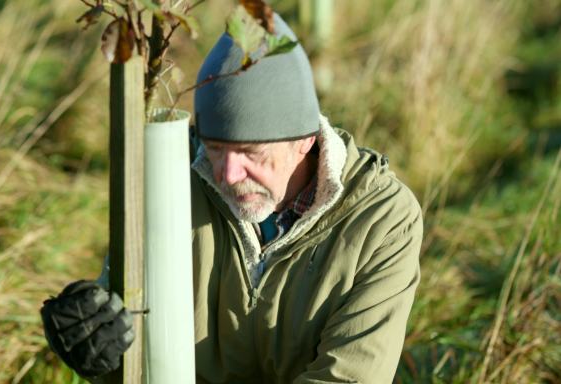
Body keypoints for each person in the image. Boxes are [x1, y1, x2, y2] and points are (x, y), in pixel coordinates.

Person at [41, 14, 422, 384]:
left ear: (305, 141)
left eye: (252, 154)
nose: (226, 174)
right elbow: (135, 356)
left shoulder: (382, 221)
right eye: (216, 148)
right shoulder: (170, 182)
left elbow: (349, 378)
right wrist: (96, 348)